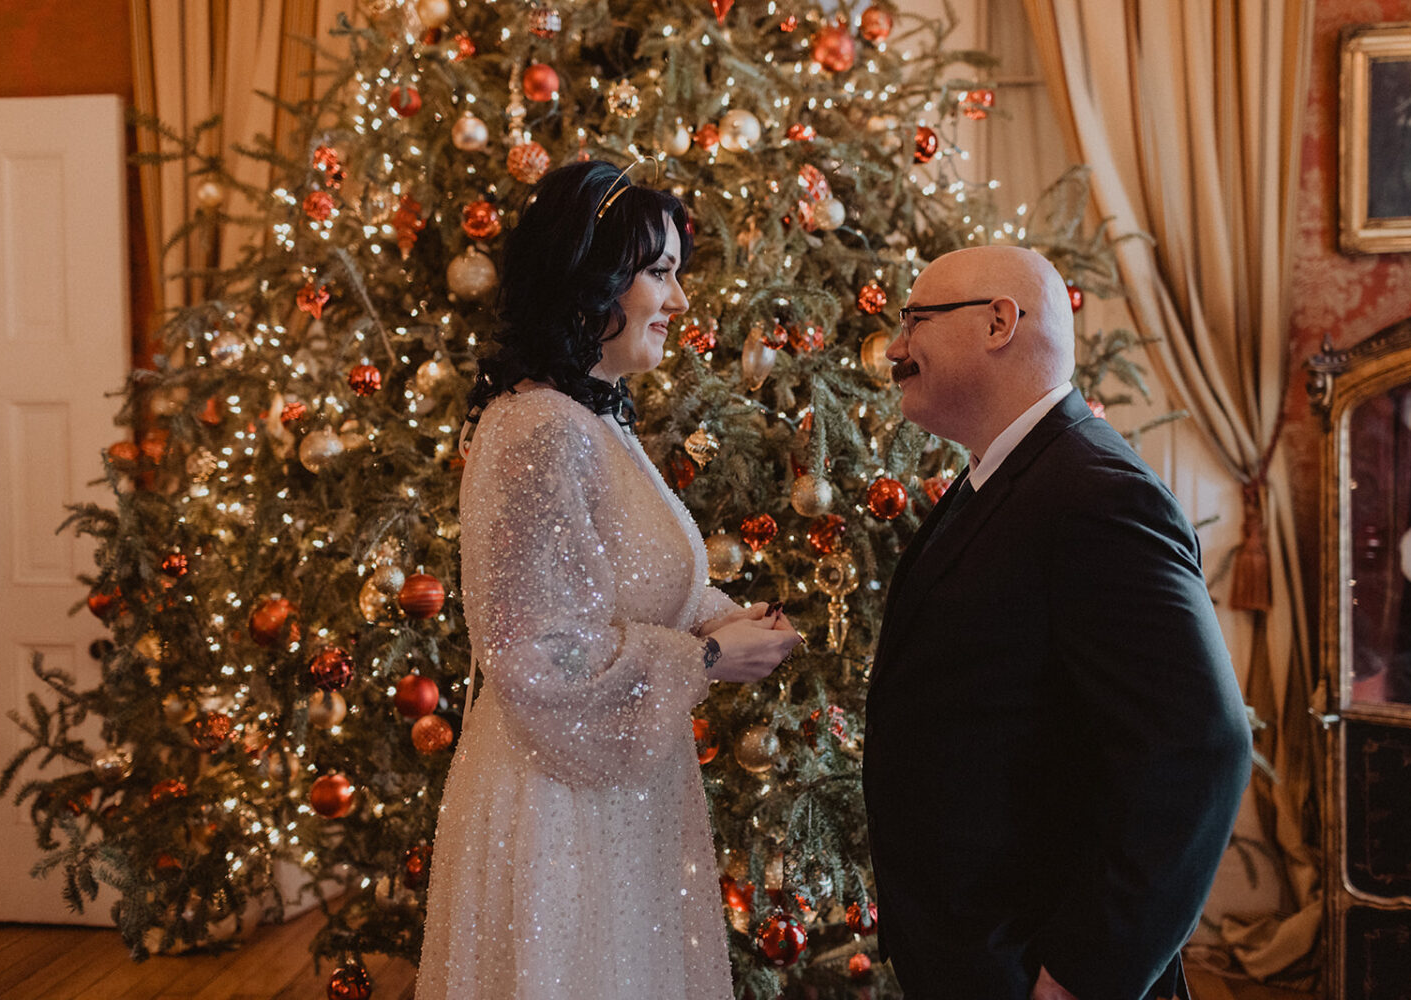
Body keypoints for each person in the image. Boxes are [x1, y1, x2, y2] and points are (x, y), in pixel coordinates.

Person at [416, 160, 801, 1000]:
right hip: (563, 810)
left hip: (621, 797)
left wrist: (738, 621)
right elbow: (538, 664)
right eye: (660, 274)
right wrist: (703, 660)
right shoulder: (540, 430)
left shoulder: (593, 418)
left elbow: (635, 584)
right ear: (592, 281)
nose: (682, 301)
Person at [862, 245, 1251, 1000]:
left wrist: (1081, 977)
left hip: (1033, 969)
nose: (896, 348)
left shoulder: (1096, 494)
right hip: (976, 956)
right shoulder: (1005, 474)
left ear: (999, 322)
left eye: (915, 321)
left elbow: (1200, 748)